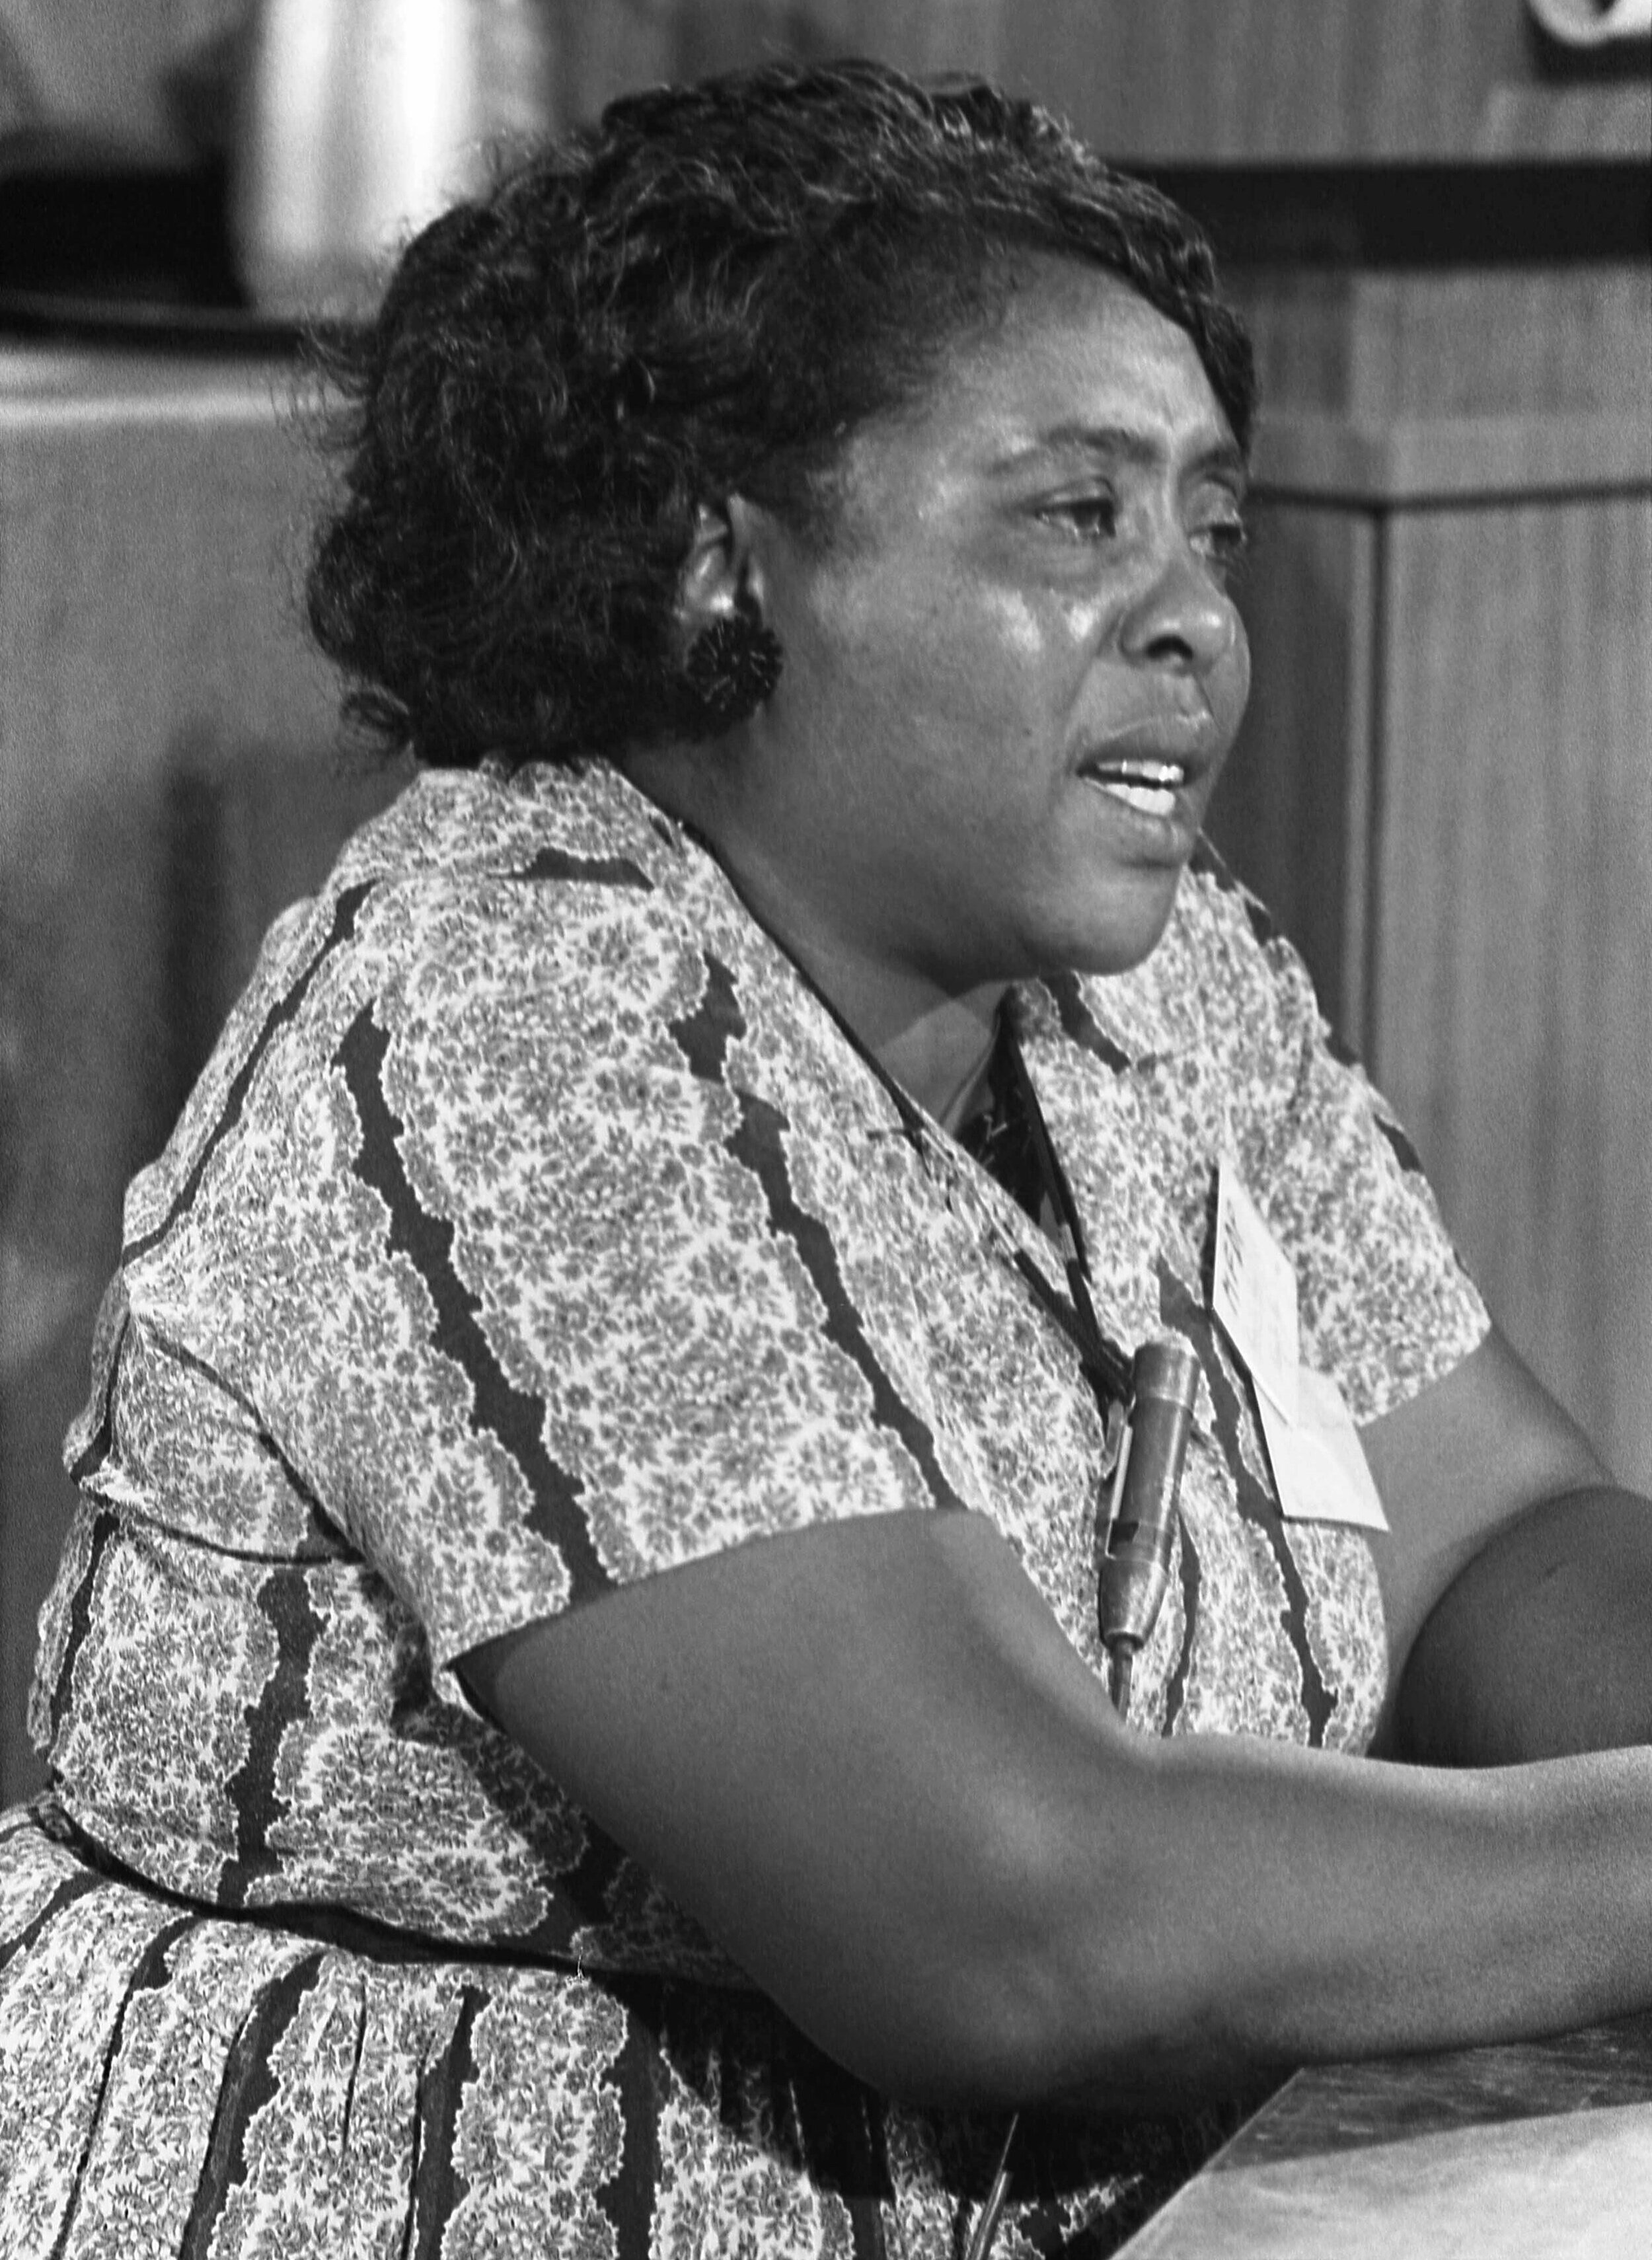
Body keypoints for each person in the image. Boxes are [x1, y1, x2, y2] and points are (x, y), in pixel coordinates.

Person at [2, 56, 1650, 2260]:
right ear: (723, 562)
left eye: (1210, 524)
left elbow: (1483, 1546)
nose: (1195, 617)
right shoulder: (506, 1017)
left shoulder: (1163, 981)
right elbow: (1006, 1913)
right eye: (1076, 517)